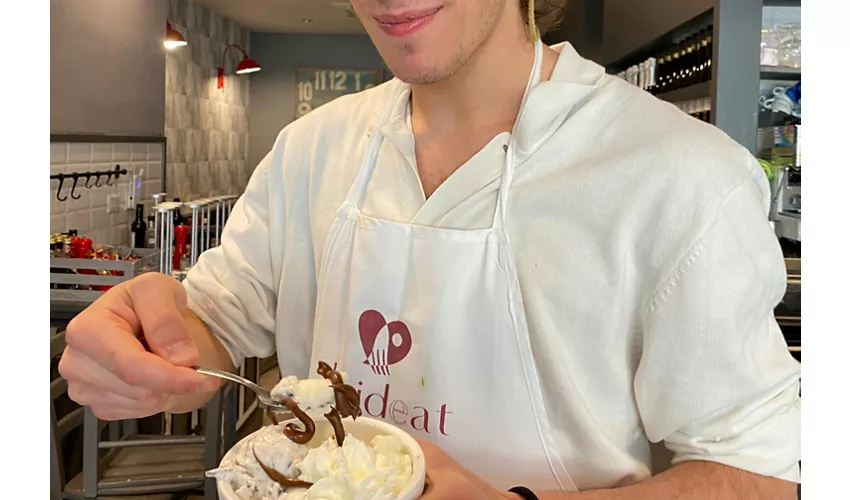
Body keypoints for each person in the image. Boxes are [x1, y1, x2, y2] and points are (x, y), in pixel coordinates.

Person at [60, 0, 801, 498]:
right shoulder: (311, 151)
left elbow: (764, 474)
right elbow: (218, 317)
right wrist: (148, 333)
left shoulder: (681, 175)